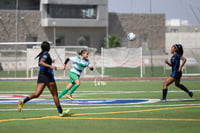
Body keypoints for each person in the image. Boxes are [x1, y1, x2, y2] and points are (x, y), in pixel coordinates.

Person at [17, 41, 70, 117]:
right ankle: (60, 112)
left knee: (37, 94)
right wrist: (51, 66)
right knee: (55, 95)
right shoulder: (46, 53)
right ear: (48, 47)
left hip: (41, 76)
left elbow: (43, 62)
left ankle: (23, 101)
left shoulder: (43, 54)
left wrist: (51, 61)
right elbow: (41, 62)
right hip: (48, 76)